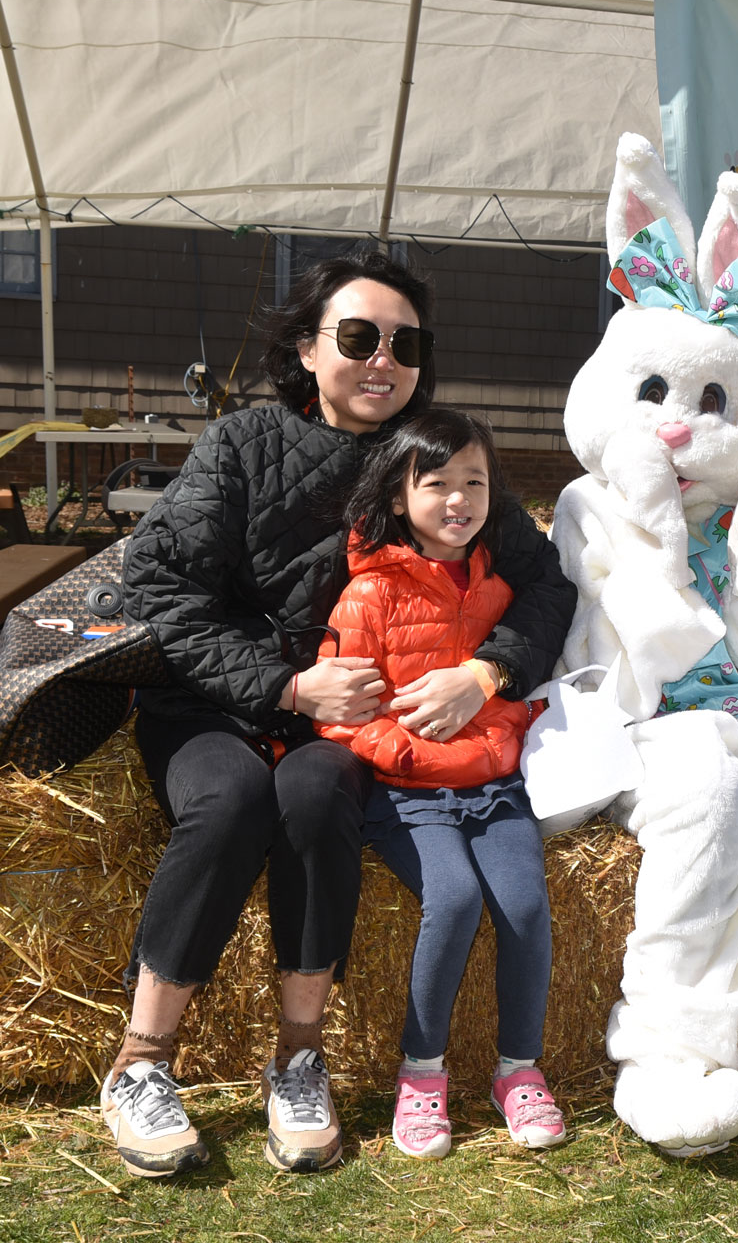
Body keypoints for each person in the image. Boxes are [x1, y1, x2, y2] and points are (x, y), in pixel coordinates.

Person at [109, 252, 575, 1179]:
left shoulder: (435, 456)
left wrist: (486, 673)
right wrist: (285, 686)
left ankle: (300, 1058)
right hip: (214, 703)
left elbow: (546, 585)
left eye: (406, 344)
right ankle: (143, 1061)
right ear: (307, 348)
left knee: (318, 797)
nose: (383, 359)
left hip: (343, 731)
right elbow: (159, 584)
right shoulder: (242, 444)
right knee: (233, 801)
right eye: (359, 337)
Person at [315, 408, 566, 1159]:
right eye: (437, 484)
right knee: (452, 899)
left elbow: (521, 687)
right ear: (398, 497)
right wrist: (412, 757)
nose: (459, 499)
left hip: (494, 787)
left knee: (525, 906)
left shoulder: (499, 584)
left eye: (475, 483)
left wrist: (499, 731)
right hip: (406, 793)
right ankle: (422, 1073)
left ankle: (519, 1071)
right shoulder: (368, 595)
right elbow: (344, 717)